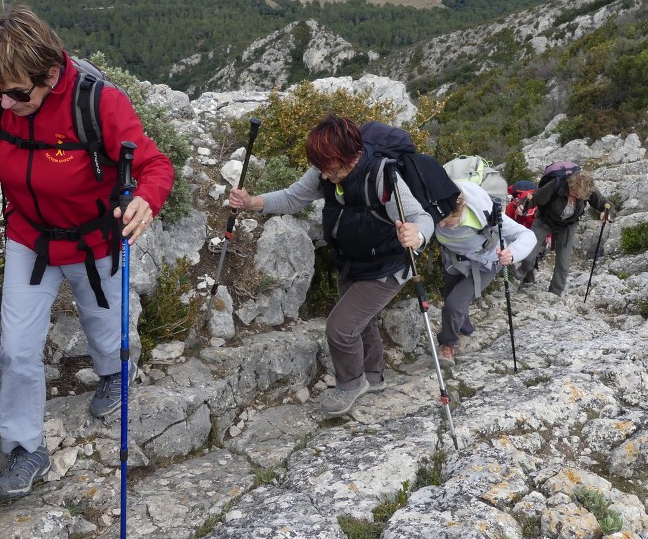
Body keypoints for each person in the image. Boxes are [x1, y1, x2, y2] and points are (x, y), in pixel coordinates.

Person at [0, 4, 175, 501]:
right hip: (30, 239)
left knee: (105, 327)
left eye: (19, 93)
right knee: (17, 350)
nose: (6, 103)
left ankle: (113, 374)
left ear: (51, 73)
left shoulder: (97, 103)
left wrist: (147, 199)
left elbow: (153, 163)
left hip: (94, 240)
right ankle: (25, 448)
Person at [228, 114, 433, 417]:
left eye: (332, 169)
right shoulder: (324, 170)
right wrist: (251, 202)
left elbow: (420, 217)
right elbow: (292, 198)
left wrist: (418, 234)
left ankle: (351, 384)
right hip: (353, 261)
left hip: (388, 266)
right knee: (362, 321)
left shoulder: (381, 175)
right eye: (321, 169)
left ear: (351, 156)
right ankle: (374, 377)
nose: (325, 176)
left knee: (340, 328)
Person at [435, 181, 536, 367]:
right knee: (452, 297)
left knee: (453, 304)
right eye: (440, 219)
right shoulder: (436, 207)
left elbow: (527, 235)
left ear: (463, 207)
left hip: (487, 263)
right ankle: (464, 328)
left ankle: (448, 344)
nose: (441, 223)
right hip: (454, 261)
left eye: (448, 220)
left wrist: (512, 253)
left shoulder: (487, 214)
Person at [514, 168, 611, 296]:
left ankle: (555, 293)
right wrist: (523, 205)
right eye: (573, 193)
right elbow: (534, 198)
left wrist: (606, 212)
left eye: (578, 196)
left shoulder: (588, 189)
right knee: (529, 253)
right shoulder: (556, 184)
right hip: (545, 220)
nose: (574, 197)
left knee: (563, 261)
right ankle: (526, 277)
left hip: (567, 225)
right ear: (570, 185)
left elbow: (605, 204)